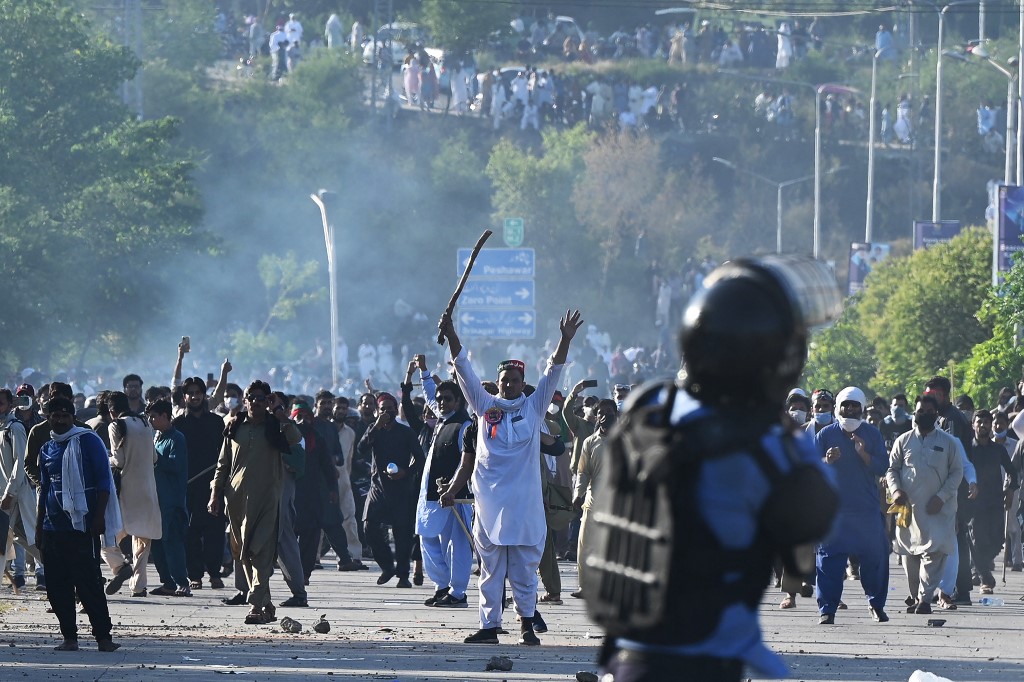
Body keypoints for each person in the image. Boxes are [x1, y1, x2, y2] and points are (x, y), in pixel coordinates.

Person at [583, 255, 841, 682]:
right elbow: (817, 517)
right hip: (707, 662)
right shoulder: (774, 447)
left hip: (628, 657)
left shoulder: (647, 409)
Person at [438, 308, 584, 646]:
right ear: (499, 381)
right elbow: (464, 370)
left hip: (524, 505)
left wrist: (564, 339)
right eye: (504, 380)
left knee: (523, 570)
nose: (508, 384)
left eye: (515, 380)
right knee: (489, 570)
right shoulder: (484, 406)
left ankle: (525, 626)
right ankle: (489, 627)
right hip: (490, 504)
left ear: (522, 384)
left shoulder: (533, 407)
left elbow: (554, 370)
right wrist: (452, 332)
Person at [209, 380, 301, 625]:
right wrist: (215, 494)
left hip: (268, 500)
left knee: (261, 551)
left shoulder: (275, 426)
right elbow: (222, 464)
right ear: (245, 401)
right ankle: (266, 603)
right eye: (253, 398)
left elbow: (295, 439)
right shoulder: (234, 426)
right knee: (244, 554)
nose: (257, 402)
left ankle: (255, 606)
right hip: (237, 501)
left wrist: (280, 413)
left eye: (263, 398)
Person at [35, 397, 121, 652]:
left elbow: (104, 482)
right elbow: (45, 489)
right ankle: (69, 638)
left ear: (72, 417)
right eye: (55, 416)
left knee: (89, 583)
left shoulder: (88, 441)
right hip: (53, 528)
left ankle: (103, 637)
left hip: (83, 526)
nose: (60, 420)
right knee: (57, 586)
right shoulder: (47, 449)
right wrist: (39, 527)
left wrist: (98, 518)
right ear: (48, 418)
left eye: (64, 416)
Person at [813, 386, 890, 625]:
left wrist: (863, 454)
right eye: (845, 405)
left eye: (854, 406)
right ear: (838, 408)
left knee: (875, 558)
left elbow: (882, 467)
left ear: (862, 409)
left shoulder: (872, 434)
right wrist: (827, 459)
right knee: (829, 561)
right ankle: (827, 610)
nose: (850, 410)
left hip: (865, 509)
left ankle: (876, 605)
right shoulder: (825, 435)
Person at [886, 395, 964, 613]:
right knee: (909, 554)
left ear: (936, 415)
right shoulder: (903, 440)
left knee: (934, 552)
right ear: (915, 412)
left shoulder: (949, 442)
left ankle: (925, 599)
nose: (925, 415)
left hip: (939, 509)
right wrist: (896, 491)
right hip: (908, 510)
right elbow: (892, 469)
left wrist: (942, 497)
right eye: (921, 411)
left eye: (930, 412)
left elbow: (957, 473)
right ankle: (915, 595)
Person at [412, 355, 474, 608]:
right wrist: (424, 371)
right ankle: (441, 586)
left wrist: (454, 489)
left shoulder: (464, 426)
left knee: (455, 546)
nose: (441, 403)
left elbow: (466, 462)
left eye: (447, 399)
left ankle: (458, 593)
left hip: (454, 496)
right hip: (430, 495)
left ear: (458, 401)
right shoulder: (441, 421)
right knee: (427, 539)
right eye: (440, 400)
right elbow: (429, 394)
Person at [357, 392, 424, 588]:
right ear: (378, 412)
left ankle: (403, 575)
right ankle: (387, 566)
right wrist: (376, 427)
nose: (387, 412)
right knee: (369, 527)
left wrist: (406, 472)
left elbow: (420, 458)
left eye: (390, 408)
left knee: (402, 533)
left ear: (396, 410)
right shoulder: (374, 429)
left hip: (401, 488)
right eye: (383, 409)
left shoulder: (406, 432)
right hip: (378, 487)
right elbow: (360, 449)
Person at [146, 399, 191, 597]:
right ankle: (167, 582)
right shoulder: (157, 437)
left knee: (172, 543)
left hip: (171, 501)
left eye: (154, 416)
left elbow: (174, 466)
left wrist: (155, 457)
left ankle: (182, 582)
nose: (151, 420)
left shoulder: (176, 439)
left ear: (166, 416)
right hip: (155, 500)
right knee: (157, 543)